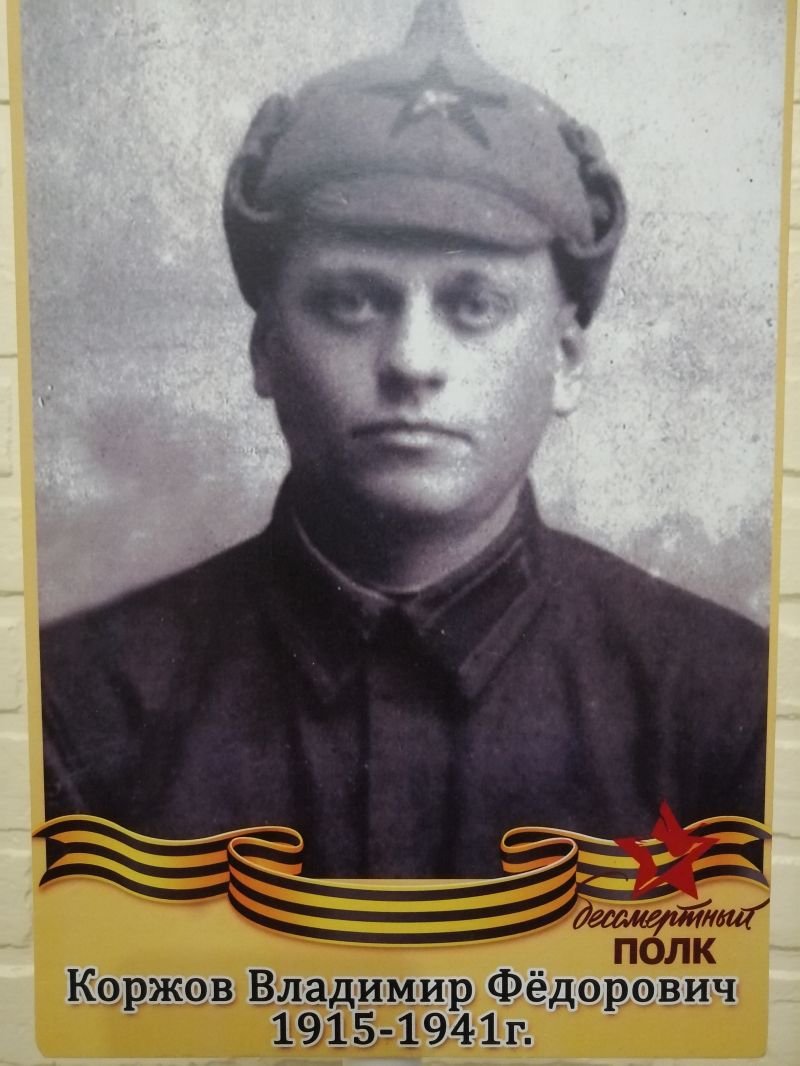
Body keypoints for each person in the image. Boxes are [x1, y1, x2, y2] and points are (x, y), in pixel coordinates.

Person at [40, 0, 767, 879]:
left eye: (475, 304)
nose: (412, 362)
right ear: (267, 350)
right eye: (351, 301)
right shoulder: (75, 706)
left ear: (566, 359)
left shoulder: (731, 709)